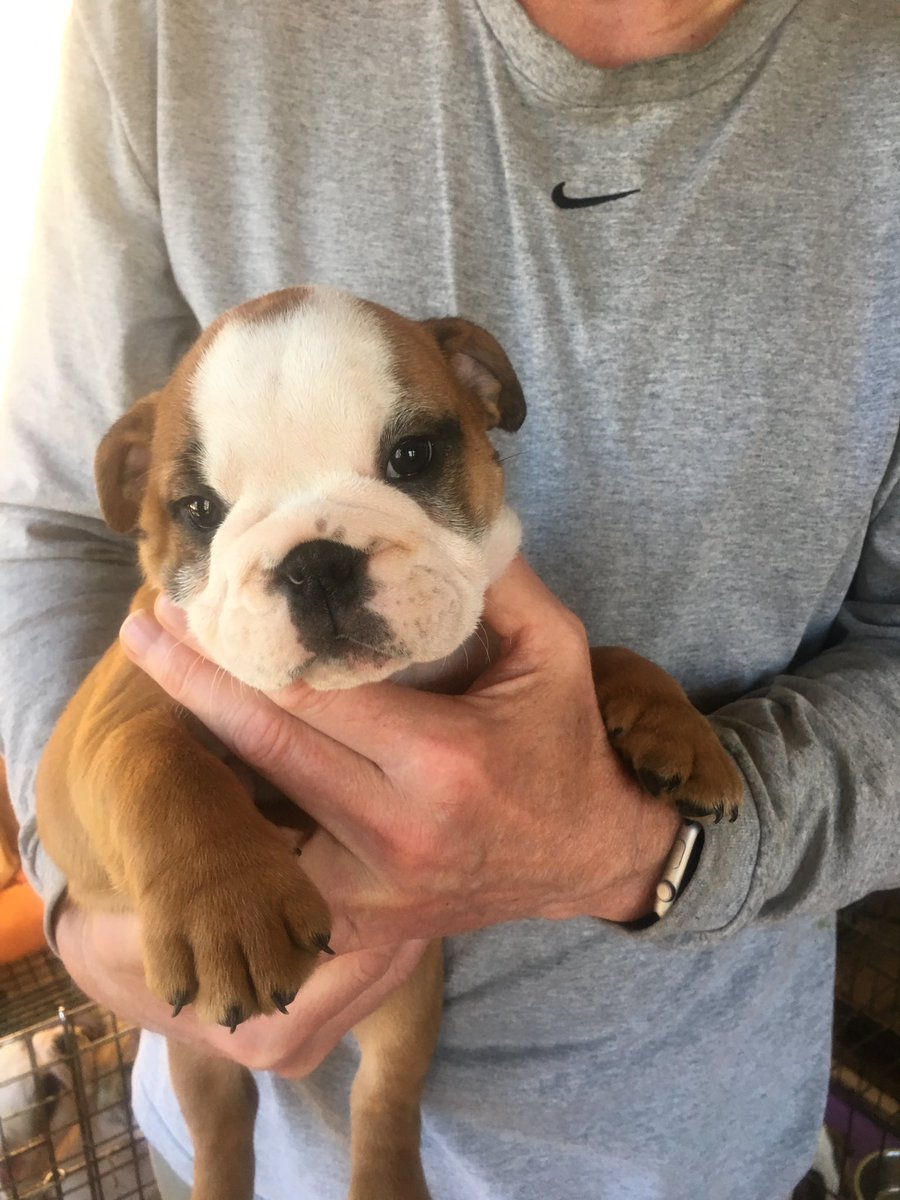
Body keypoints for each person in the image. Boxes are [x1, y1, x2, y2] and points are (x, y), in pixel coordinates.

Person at [1, 1, 898, 1197]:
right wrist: (82, 904)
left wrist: (657, 846)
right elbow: (51, 525)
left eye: (408, 458)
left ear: (482, 393)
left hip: (692, 1144)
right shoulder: (160, 25)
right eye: (213, 508)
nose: (317, 563)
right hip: (236, 1091)